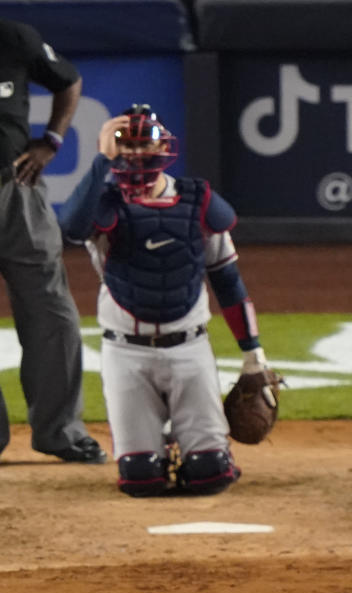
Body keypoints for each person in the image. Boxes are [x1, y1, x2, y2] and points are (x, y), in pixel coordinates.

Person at [58, 104, 270, 496]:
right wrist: (100, 160)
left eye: (144, 144)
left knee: (211, 473)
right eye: (127, 146)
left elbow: (227, 280)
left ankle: (195, 446)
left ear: (163, 148)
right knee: (141, 480)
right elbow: (71, 226)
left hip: (189, 348)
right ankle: (153, 449)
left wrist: (252, 353)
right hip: (126, 354)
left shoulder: (197, 202)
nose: (137, 154)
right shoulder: (104, 205)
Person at [0, 19, 107, 463]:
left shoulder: (13, 37)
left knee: (52, 311)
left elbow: (69, 81)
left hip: (15, 189)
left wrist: (53, 140)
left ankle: (60, 432)